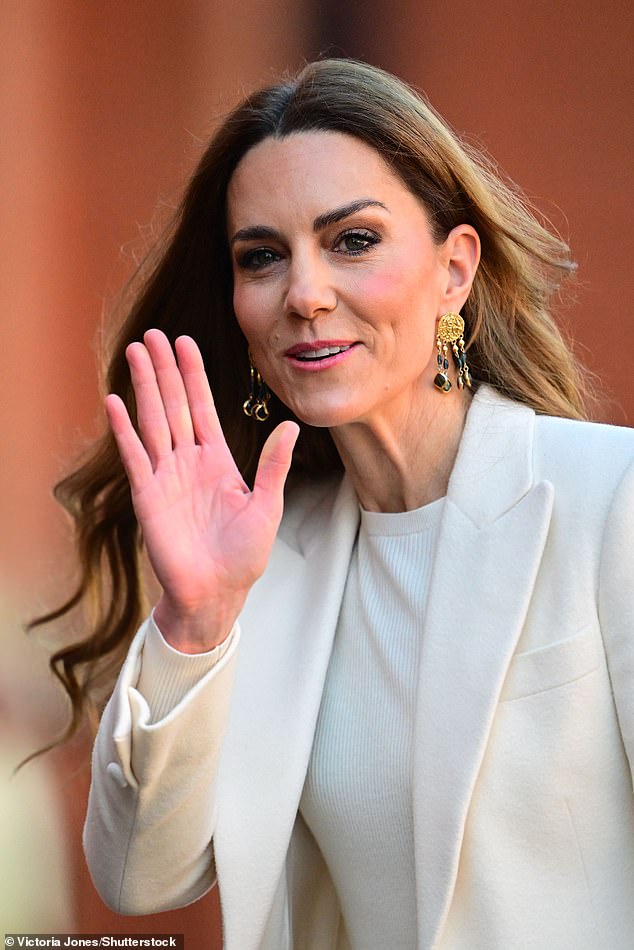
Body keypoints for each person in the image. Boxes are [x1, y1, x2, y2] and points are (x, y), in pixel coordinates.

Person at [43, 59, 634, 949]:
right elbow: (138, 878)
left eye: (353, 240)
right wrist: (195, 622)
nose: (306, 295)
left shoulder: (611, 497)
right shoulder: (261, 561)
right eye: (262, 257)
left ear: (454, 270)